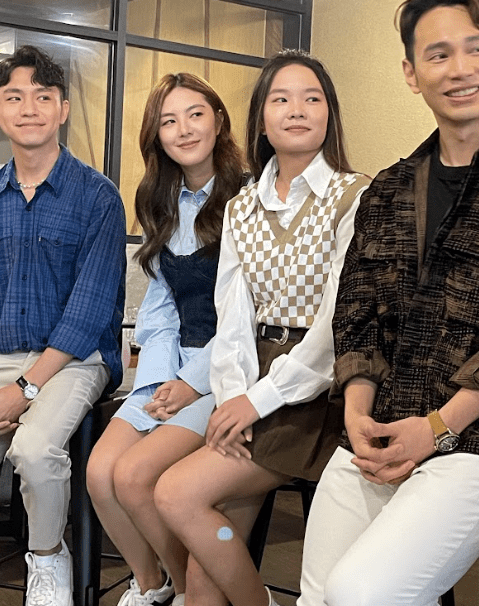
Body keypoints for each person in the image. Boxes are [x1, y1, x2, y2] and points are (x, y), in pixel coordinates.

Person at [297, 0, 479, 606]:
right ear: (412, 73)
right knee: (318, 598)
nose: (460, 69)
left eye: (476, 48)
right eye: (438, 54)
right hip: (384, 424)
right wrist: (357, 414)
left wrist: (437, 428)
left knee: (360, 594)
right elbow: (357, 313)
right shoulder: (389, 189)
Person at [153, 50, 369, 606]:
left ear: (329, 113)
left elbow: (337, 327)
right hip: (253, 380)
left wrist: (256, 402)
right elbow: (233, 319)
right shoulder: (242, 206)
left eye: (311, 98)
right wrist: (232, 399)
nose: (296, 110)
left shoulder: (355, 196)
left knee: (176, 493)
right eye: (281, 99)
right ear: (261, 118)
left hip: (319, 393)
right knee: (204, 577)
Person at [86, 72, 245, 606]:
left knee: (133, 477)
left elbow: (245, 316)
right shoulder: (160, 198)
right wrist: (157, 382)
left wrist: (190, 383)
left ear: (218, 119)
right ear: (156, 134)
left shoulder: (248, 198)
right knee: (100, 473)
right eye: (169, 120)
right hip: (171, 367)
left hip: (226, 373)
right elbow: (160, 305)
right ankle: (150, 585)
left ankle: (184, 590)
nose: (184, 129)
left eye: (195, 114)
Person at [0, 45, 126, 606]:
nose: (29, 109)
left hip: (76, 359)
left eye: (42, 97)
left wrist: (22, 389)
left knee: (34, 449)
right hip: (6, 354)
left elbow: (88, 313)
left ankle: (48, 559)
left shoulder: (97, 196)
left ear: (63, 109)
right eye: (14, 98)